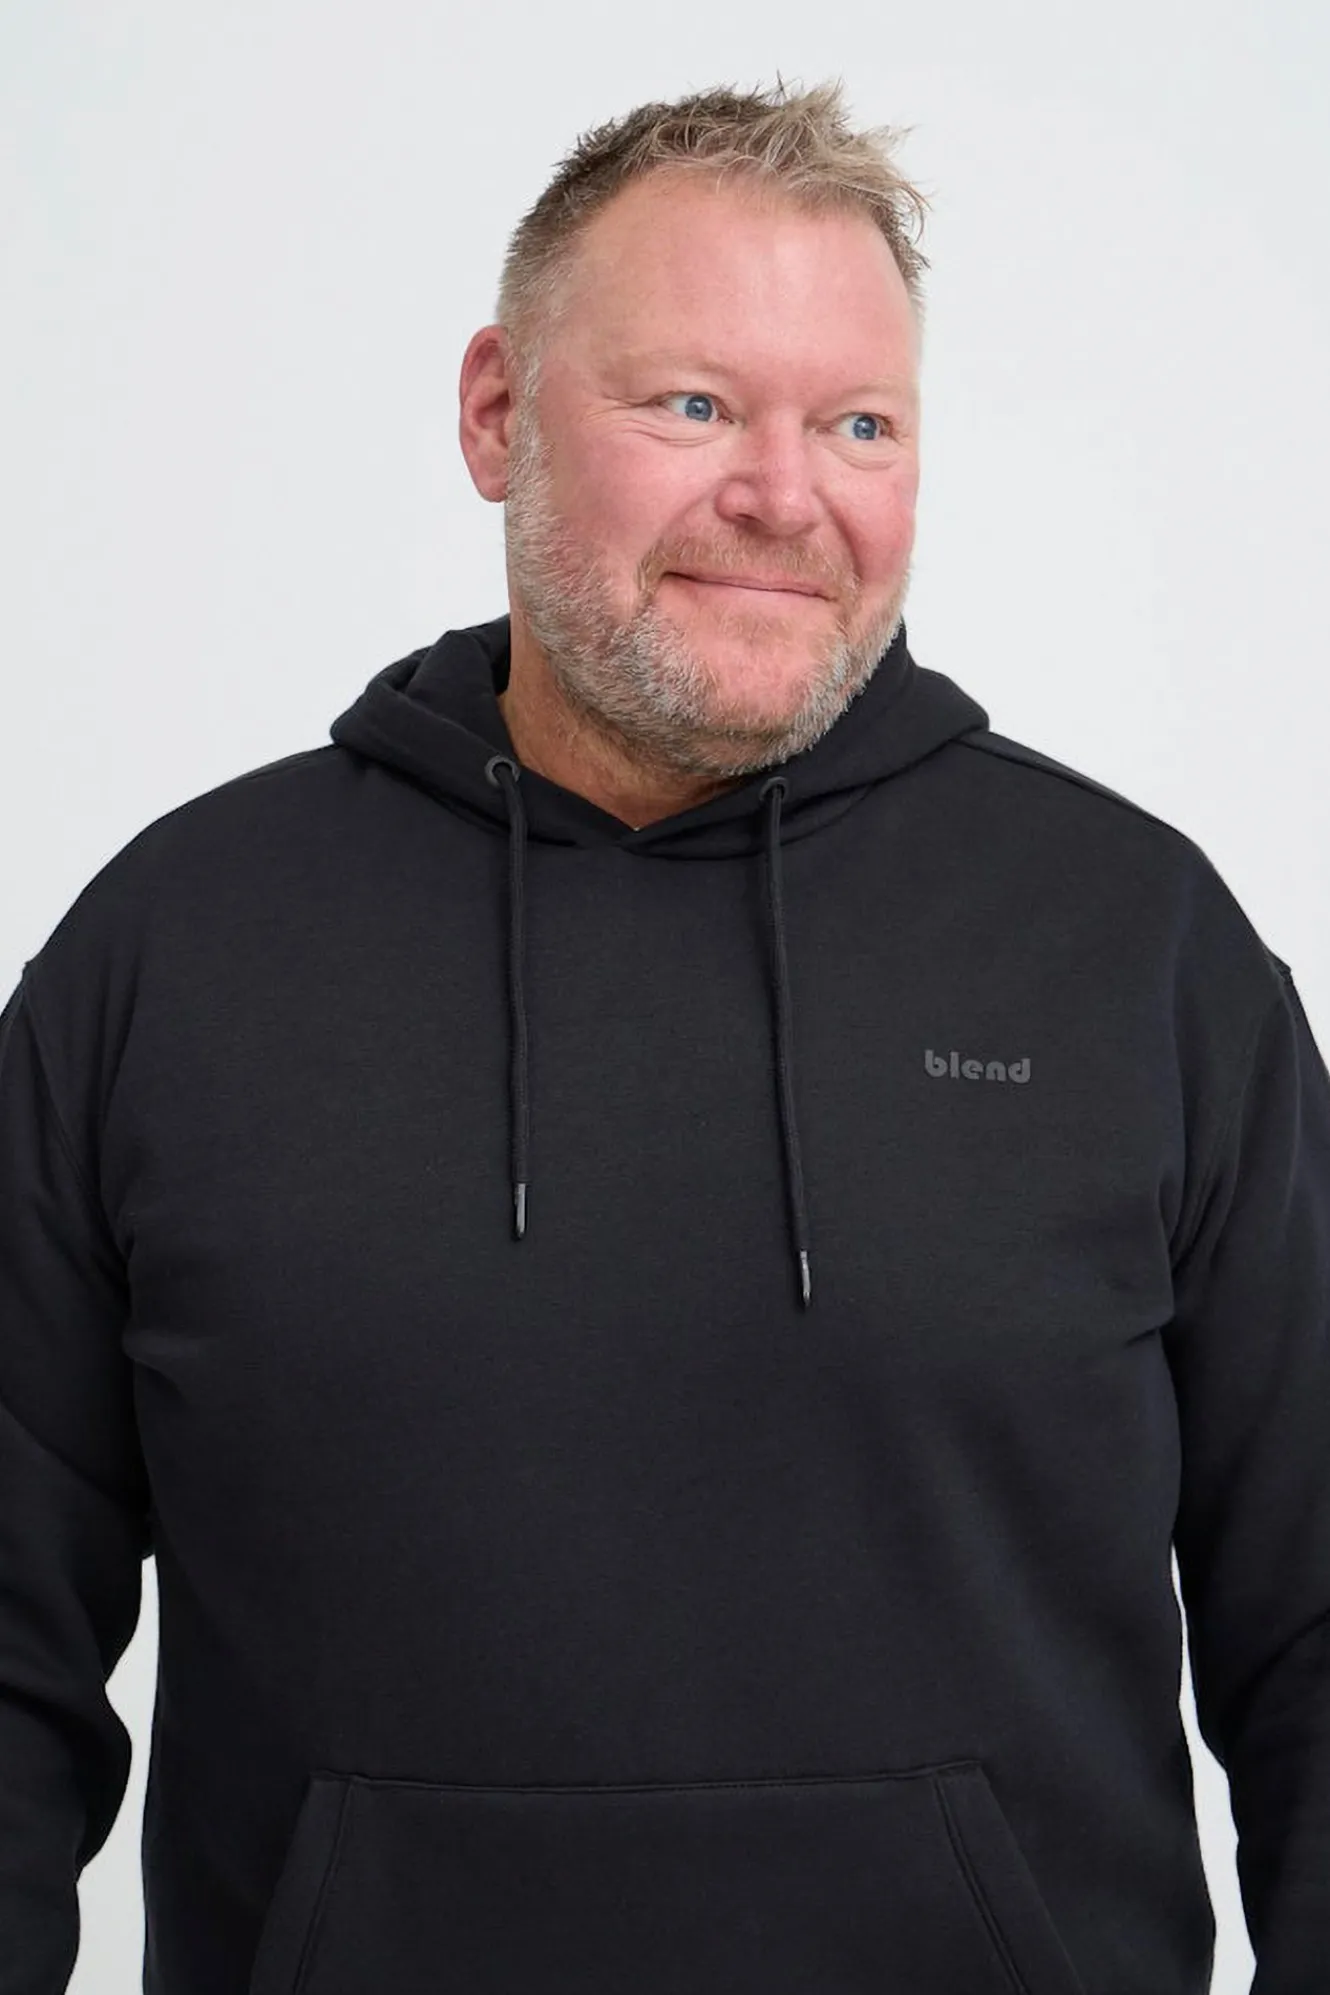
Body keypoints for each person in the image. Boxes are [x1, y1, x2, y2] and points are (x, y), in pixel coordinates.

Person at [0, 75, 1326, 1995]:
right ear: (496, 414)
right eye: (693, 404)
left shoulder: (1134, 948)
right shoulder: (175, 952)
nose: (783, 495)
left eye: (857, 423)